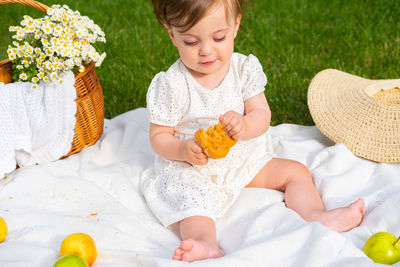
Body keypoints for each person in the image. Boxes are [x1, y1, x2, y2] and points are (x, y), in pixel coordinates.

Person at [141, 0, 365, 262]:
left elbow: (262, 115)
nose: (206, 50)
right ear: (172, 35)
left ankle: (316, 215)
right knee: (192, 205)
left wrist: (246, 125)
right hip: (194, 168)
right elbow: (159, 137)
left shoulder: (242, 69)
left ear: (235, 26)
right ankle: (204, 242)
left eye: (219, 37)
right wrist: (182, 149)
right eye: (191, 42)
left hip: (242, 158)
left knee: (295, 172)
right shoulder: (172, 84)